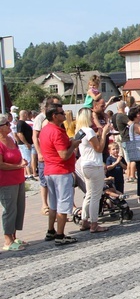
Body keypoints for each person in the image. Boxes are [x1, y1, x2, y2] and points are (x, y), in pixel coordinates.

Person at [39, 104, 81, 245]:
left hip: (50, 170)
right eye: (61, 113)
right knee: (63, 204)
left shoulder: (45, 130)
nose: (64, 115)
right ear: (54, 116)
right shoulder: (56, 131)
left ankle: (51, 231)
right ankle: (60, 235)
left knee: (53, 204)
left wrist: (69, 142)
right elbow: (63, 155)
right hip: (60, 171)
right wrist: (74, 145)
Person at [76, 107, 111, 233]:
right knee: (96, 195)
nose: (93, 118)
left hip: (85, 164)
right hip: (94, 165)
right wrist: (105, 133)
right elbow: (99, 148)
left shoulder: (80, 131)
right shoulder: (89, 130)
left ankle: (85, 220)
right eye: (92, 116)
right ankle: (94, 223)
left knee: (89, 195)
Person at [0, 114, 28, 251]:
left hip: (18, 178)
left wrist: (23, 162)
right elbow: (1, 164)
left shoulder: (11, 139)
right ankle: (7, 240)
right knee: (9, 210)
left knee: (19, 208)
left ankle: (14, 236)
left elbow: (16, 156)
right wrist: (18, 166)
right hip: (6, 182)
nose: (9, 125)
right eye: (5, 124)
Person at [32, 95, 62, 216]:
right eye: (56, 105)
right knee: (44, 180)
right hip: (44, 152)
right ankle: (45, 204)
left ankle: (58, 207)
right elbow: (35, 136)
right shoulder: (41, 118)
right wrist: (39, 152)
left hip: (55, 153)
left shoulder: (58, 117)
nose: (59, 107)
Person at [114, 100, 136, 183]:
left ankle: (129, 176)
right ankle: (131, 176)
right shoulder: (122, 116)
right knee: (131, 159)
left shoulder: (117, 116)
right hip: (127, 139)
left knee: (129, 159)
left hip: (124, 139)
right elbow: (132, 124)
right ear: (124, 106)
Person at [15, 110, 37, 180]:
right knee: (27, 159)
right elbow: (19, 134)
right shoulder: (20, 123)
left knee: (28, 159)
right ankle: (29, 175)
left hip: (27, 143)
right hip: (24, 144)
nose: (27, 115)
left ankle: (27, 173)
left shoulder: (23, 123)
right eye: (26, 114)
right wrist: (26, 143)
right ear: (24, 114)